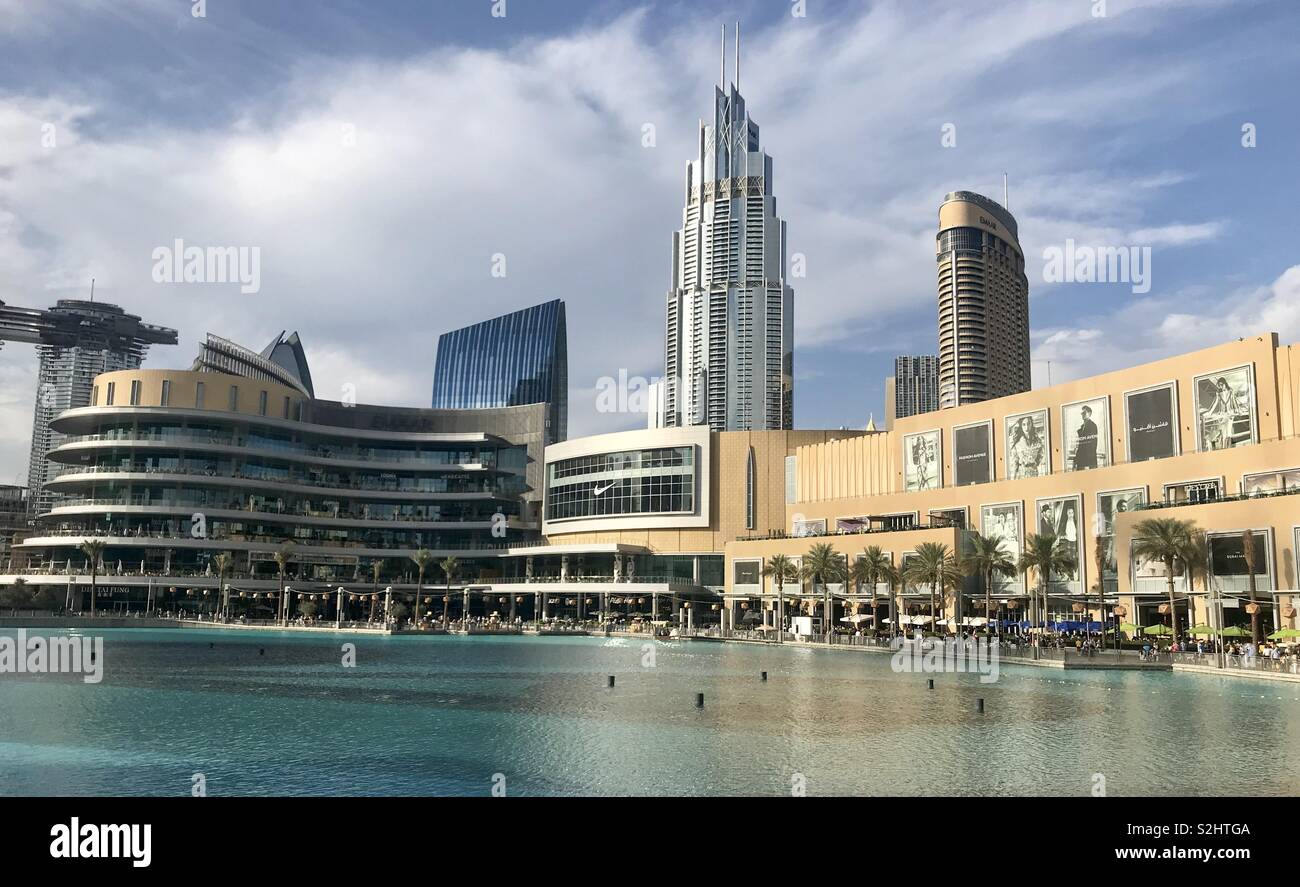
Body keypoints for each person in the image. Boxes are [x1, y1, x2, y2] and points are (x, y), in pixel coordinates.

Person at [1071, 404, 1100, 469]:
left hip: (1088, 462)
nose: (1082, 414)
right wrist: (1076, 460)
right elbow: (1080, 445)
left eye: (1084, 413)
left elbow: (1092, 446)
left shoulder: (1092, 426)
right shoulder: (1081, 428)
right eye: (1082, 413)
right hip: (1081, 461)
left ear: (1089, 413)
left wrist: (1088, 464)